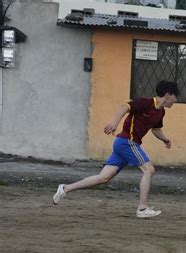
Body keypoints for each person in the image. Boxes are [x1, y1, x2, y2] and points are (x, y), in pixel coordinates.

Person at [53, 80, 179, 218]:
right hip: (127, 142)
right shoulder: (146, 103)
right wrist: (114, 123)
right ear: (167, 95)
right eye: (175, 96)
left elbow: (156, 129)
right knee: (149, 170)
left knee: (103, 178)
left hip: (124, 144)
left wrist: (165, 139)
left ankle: (65, 188)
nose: (176, 100)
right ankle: (142, 209)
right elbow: (124, 107)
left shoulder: (160, 113)